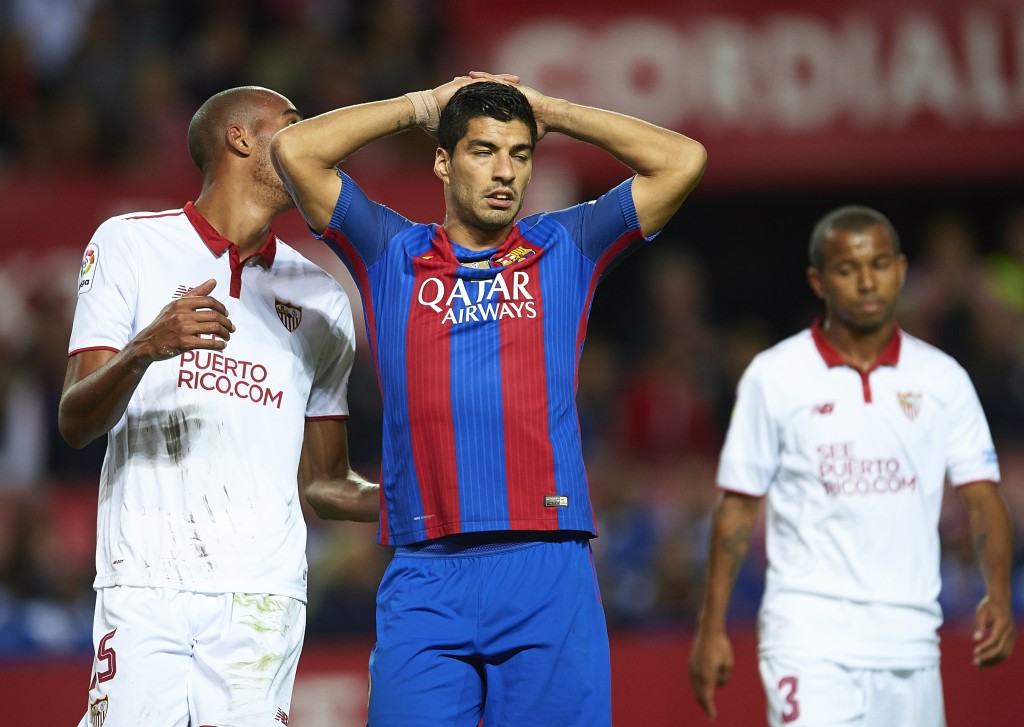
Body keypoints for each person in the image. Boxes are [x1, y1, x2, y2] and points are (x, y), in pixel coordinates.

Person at [271, 72, 706, 725]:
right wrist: (423, 106)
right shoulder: (391, 251)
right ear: (443, 162)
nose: (505, 171)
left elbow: (684, 160)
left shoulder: (566, 246)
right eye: (483, 150)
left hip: (547, 565)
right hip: (426, 573)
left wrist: (551, 111)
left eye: (520, 153)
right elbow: (295, 149)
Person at [58, 86, 379, 727]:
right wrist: (147, 346)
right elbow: (74, 420)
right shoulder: (128, 243)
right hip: (145, 583)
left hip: (263, 598)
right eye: (293, 127)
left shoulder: (321, 296)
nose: (312, 145)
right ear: (241, 139)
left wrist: (430, 493)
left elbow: (324, 483)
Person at [688, 205, 1015, 726]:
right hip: (806, 637)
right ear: (819, 280)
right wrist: (712, 626)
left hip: (910, 643)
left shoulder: (943, 379)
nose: (867, 281)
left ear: (902, 271)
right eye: (847, 269)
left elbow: (982, 498)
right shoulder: (774, 377)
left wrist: (996, 592)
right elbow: (737, 507)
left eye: (880, 265)